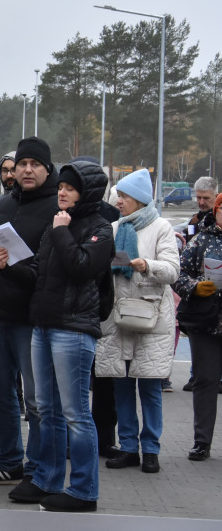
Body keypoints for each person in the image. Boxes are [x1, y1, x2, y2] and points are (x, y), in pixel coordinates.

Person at [10, 159, 113, 513]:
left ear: (87, 193)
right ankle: (47, 480)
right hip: (43, 325)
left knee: (75, 413)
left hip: (74, 330)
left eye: (70, 188)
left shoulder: (99, 228)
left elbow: (82, 266)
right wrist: (11, 261)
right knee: (47, 409)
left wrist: (60, 233)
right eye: (61, 187)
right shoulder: (58, 224)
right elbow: (41, 271)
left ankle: (84, 490)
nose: (62, 192)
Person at [0, 137, 58, 487]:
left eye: (35, 164)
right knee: (0, 394)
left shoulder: (56, 208)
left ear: (47, 169)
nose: (28, 169)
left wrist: (11, 267)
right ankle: (8, 461)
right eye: (22, 164)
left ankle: (36, 467)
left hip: (32, 319)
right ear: (13, 169)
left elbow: (48, 270)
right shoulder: (0, 206)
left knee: (36, 400)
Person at [95, 168, 178, 474]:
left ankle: (151, 449)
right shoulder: (114, 228)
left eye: (125, 196)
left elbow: (172, 270)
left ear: (141, 200)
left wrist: (146, 265)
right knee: (122, 384)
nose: (119, 201)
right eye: (119, 195)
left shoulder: (161, 227)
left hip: (150, 318)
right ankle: (128, 447)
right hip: (118, 317)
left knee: (150, 387)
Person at [172, 191, 222, 462]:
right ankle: (201, 442)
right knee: (205, 380)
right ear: (216, 212)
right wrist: (195, 287)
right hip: (207, 323)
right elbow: (178, 275)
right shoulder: (201, 239)